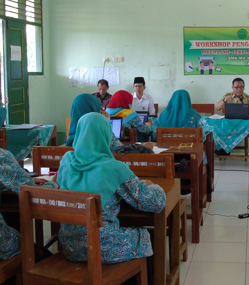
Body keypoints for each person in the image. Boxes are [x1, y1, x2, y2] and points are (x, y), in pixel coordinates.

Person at [57, 113, 166, 275]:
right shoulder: (114, 168)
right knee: (144, 236)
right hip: (100, 246)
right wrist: (156, 187)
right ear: (107, 135)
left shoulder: (66, 161)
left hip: (68, 244)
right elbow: (154, 203)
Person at [0, 108, 57, 262]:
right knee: (23, 241)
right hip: (2, 247)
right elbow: (32, 193)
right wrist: (53, 184)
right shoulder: (2, 157)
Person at [215, 78, 249, 156]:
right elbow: (217, 108)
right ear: (232, 87)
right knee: (219, 127)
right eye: (236, 87)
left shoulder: (248, 98)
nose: (239, 89)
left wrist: (242, 112)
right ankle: (223, 149)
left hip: (244, 125)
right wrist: (225, 100)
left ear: (244, 87)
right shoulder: (227, 96)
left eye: (241, 87)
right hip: (229, 125)